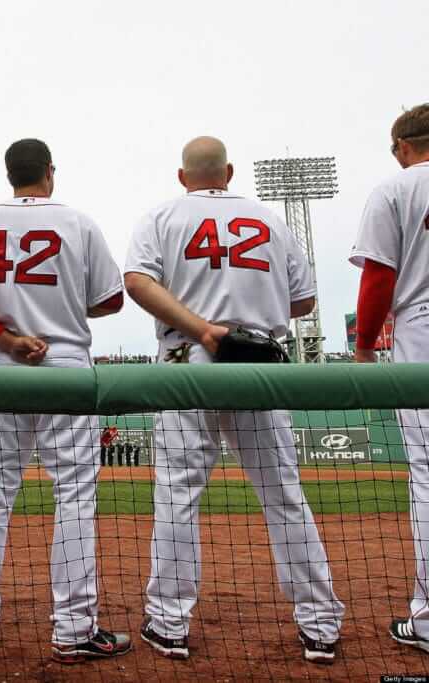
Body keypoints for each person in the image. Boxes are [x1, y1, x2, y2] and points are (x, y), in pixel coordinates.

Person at [124, 136, 344, 663]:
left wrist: (202, 329)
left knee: (177, 496)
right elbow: (306, 298)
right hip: (258, 364)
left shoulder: (163, 214)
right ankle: (320, 626)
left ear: (183, 177)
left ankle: (169, 624)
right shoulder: (269, 219)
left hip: (186, 363)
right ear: (230, 172)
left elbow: (136, 281)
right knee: (283, 496)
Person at [0, 138, 130, 664]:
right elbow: (112, 299)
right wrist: (62, 310)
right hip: (66, 371)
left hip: (1, 370)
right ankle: (74, 628)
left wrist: (7, 335)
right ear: (50, 172)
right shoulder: (78, 222)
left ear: (9, 174)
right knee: (74, 497)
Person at [349, 103, 429, 653]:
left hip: (422, 332)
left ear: (402, 145)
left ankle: (426, 620)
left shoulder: (397, 188)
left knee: (427, 475)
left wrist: (363, 348)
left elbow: (380, 276)